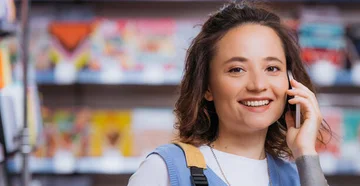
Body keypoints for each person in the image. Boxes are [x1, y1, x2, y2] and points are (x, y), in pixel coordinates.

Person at [127, 1, 330, 186]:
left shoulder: (298, 177)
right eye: (237, 69)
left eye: (272, 68)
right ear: (207, 86)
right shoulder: (165, 170)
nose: (258, 85)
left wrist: (305, 153)